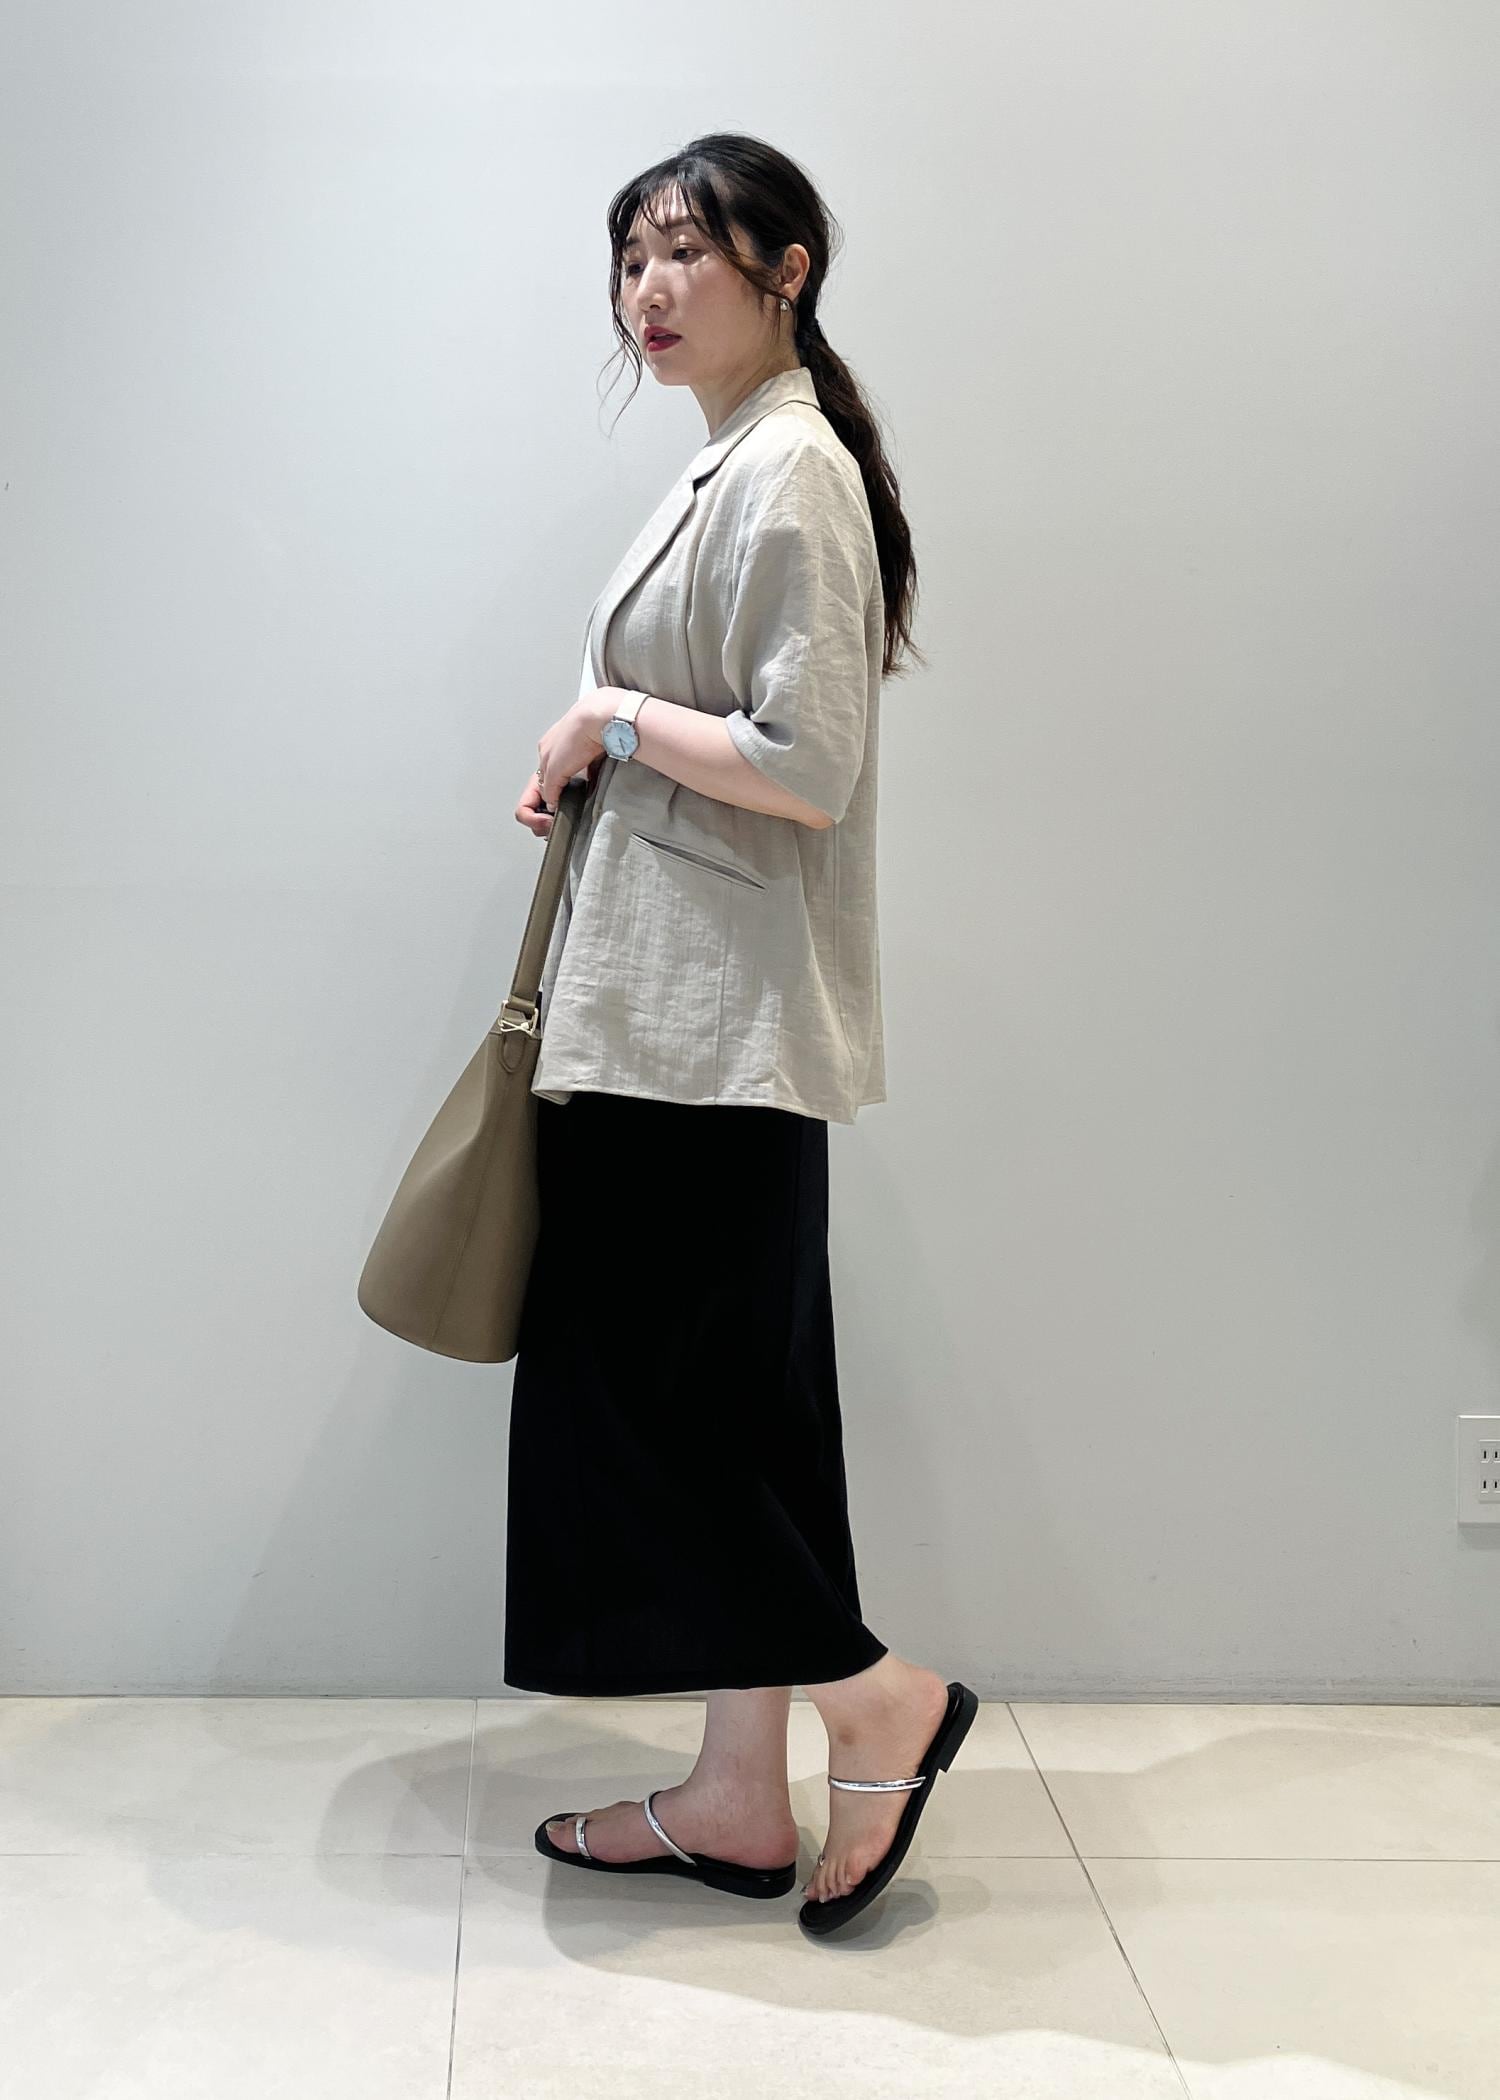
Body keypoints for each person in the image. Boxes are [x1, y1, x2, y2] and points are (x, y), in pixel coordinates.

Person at [504, 133, 974, 1936]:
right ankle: (733, 1795)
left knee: (652, 1407)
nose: (648, 287)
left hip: (704, 1039)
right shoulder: (743, 462)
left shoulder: (790, 473)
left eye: (687, 249)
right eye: (630, 256)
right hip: (677, 1025)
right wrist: (606, 732)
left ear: (788, 269)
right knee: (724, 1411)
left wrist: (609, 719)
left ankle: (878, 1699)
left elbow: (808, 762)